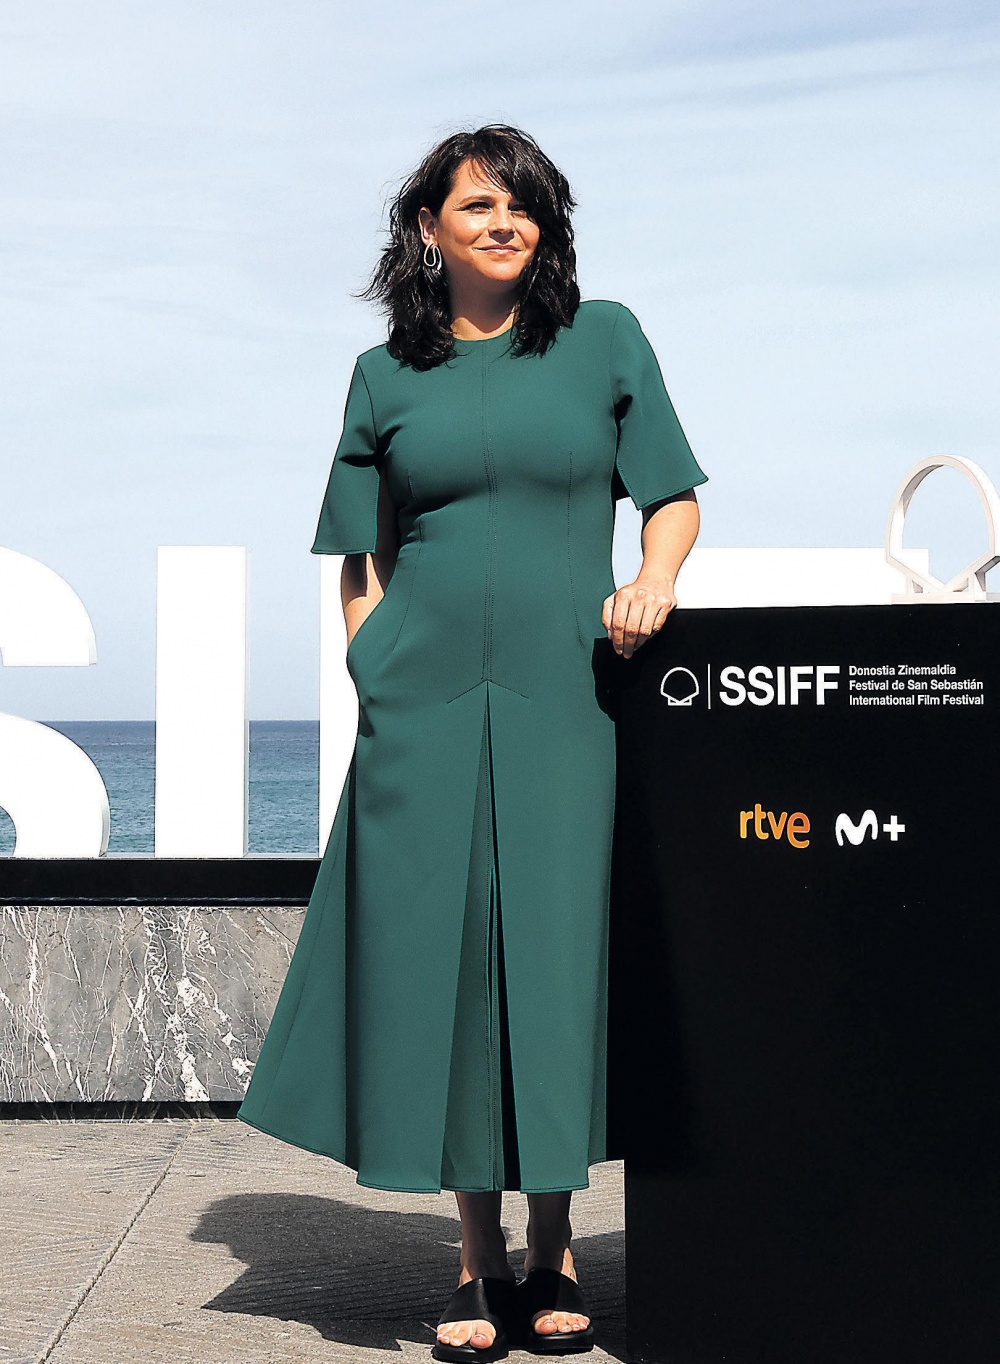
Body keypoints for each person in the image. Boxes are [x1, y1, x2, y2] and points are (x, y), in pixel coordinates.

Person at [237, 123, 706, 1360]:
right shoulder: (383, 372)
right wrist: (371, 661)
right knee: (446, 969)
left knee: (552, 959)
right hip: (424, 703)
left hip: (571, 694)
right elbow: (362, 549)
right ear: (429, 226)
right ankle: (476, 1254)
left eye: (525, 206)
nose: (505, 223)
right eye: (480, 204)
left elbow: (670, 495)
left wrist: (653, 580)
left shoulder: (604, 338)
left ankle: (554, 1240)